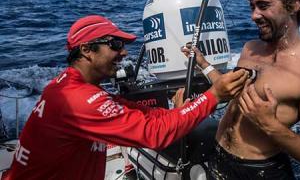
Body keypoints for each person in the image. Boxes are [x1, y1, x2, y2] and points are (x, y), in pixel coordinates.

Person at [3, 15, 248, 180]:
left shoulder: (66, 85)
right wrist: (213, 95)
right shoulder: (78, 100)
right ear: (87, 50)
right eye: (115, 44)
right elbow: (155, 133)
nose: (124, 52)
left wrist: (181, 110)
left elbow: (142, 113)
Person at [182, 0, 300, 179]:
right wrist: (203, 63)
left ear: (294, 5)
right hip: (217, 157)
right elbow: (232, 90)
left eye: (263, 6)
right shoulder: (250, 48)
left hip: (260, 172)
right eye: (252, 7)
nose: (254, 16)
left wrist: (271, 125)